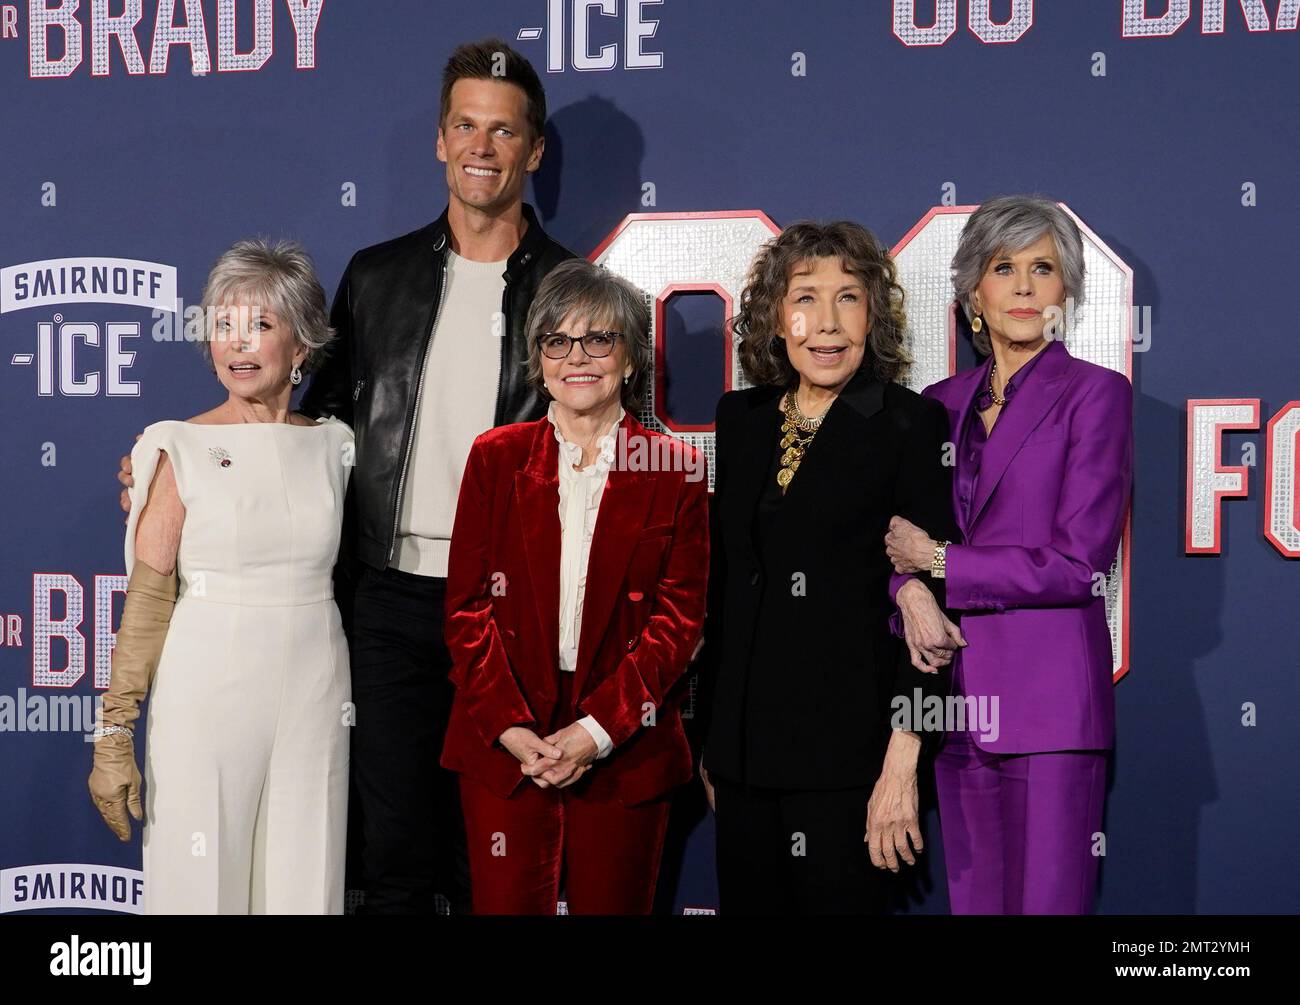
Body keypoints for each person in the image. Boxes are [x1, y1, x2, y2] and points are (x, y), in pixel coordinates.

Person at [117, 39, 576, 914]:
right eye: (466, 127)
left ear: (534, 151)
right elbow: (292, 422)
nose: (483, 147)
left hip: (508, 601)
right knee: (391, 853)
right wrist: (169, 460)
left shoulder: (567, 288)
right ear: (440, 141)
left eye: (505, 132)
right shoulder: (379, 275)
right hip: (389, 602)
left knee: (499, 854)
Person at [695, 221, 959, 915]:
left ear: (873, 315)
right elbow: (726, 589)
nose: (827, 322)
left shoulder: (909, 423)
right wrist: (713, 739)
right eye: (805, 297)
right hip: (743, 758)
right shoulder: (742, 418)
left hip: (851, 760)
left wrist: (902, 764)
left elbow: (935, 602)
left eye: (849, 297)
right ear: (777, 317)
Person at [885, 195, 1134, 914]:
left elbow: (1076, 562)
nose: (1024, 286)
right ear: (973, 292)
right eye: (1004, 267)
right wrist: (907, 589)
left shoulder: (1096, 395)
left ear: (1067, 292)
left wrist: (939, 561)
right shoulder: (937, 403)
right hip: (954, 702)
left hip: (1052, 707)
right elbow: (897, 544)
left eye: (1043, 268)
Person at [91, 239, 354, 913]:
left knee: (306, 884)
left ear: (301, 347)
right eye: (224, 325)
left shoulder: (336, 445)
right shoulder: (175, 446)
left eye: (261, 325)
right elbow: (148, 605)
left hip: (317, 695)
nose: (238, 343)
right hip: (205, 695)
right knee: (199, 888)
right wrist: (115, 733)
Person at [440, 259, 709, 914]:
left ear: (629, 356)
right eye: (557, 341)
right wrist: (507, 724)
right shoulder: (496, 456)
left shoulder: (675, 468)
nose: (577, 357)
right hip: (506, 740)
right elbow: (468, 607)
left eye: (598, 339)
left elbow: (680, 624)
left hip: (625, 744)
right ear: (539, 358)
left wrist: (597, 730)